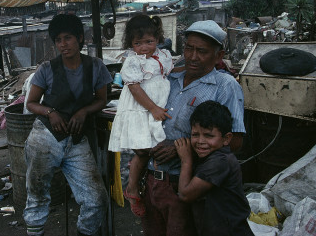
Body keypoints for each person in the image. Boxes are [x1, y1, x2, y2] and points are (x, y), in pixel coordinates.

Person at [141, 20, 246, 236]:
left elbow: (235, 141)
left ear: (218, 55)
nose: (192, 57)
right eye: (189, 48)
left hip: (183, 185)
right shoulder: (169, 78)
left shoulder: (225, 86)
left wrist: (182, 147)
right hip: (151, 179)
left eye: (202, 51)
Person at [24, 14, 112, 236]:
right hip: (45, 138)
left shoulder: (96, 66)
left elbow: (102, 100)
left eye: (68, 38)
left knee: (97, 199)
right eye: (58, 40)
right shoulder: (46, 68)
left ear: (80, 38)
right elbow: (32, 103)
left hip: (76, 140)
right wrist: (51, 112)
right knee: (37, 196)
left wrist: (84, 111)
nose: (63, 44)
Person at [108, 14, 173, 217]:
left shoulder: (163, 55)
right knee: (142, 151)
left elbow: (169, 72)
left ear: (158, 39)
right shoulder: (132, 62)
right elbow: (135, 89)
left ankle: (149, 188)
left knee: (154, 149)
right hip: (141, 107)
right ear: (130, 44)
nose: (144, 47)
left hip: (157, 106)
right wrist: (152, 108)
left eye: (149, 42)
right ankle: (133, 189)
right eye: (138, 43)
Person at [175, 101, 254, 236]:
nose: (200, 141)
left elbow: (185, 195)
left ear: (226, 138)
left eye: (208, 135)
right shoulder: (214, 157)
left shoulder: (220, 162)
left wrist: (186, 160)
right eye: (195, 134)